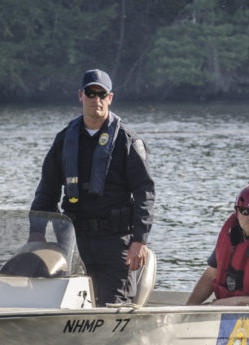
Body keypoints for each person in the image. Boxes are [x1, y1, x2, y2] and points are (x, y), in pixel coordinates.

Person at [30, 69, 155, 306]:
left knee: (113, 304)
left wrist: (140, 240)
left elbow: (144, 193)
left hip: (115, 241)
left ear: (110, 98)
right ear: (81, 96)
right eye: (90, 93)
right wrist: (36, 233)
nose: (96, 99)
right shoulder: (64, 140)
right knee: (66, 302)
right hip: (74, 241)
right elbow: (47, 190)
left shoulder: (127, 141)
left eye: (102, 94)